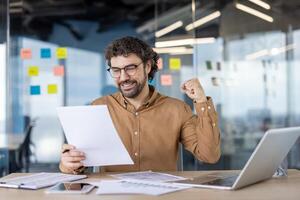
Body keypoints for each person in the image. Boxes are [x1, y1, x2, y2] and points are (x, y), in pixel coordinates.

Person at [59, 36, 221, 174]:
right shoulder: (98, 107)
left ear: (147, 66)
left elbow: (209, 155)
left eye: (130, 68)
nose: (123, 77)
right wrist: (69, 164)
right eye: (116, 70)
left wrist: (201, 101)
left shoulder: (177, 109)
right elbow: (80, 166)